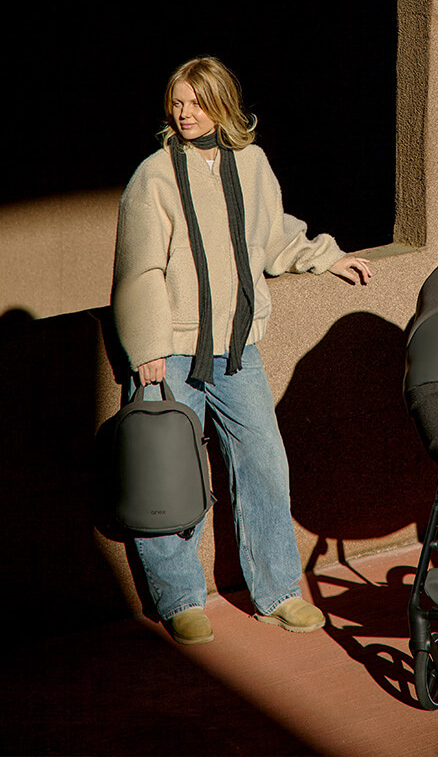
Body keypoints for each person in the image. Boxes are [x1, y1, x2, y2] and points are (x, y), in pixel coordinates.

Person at [111, 55, 372, 645]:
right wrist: (147, 346)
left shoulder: (251, 164)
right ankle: (180, 599)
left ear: (221, 104)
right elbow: (138, 269)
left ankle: (277, 593)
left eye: (196, 102)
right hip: (172, 353)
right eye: (177, 102)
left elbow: (273, 236)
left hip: (237, 351)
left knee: (265, 464)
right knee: (167, 475)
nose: (184, 113)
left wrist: (328, 258)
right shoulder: (153, 176)